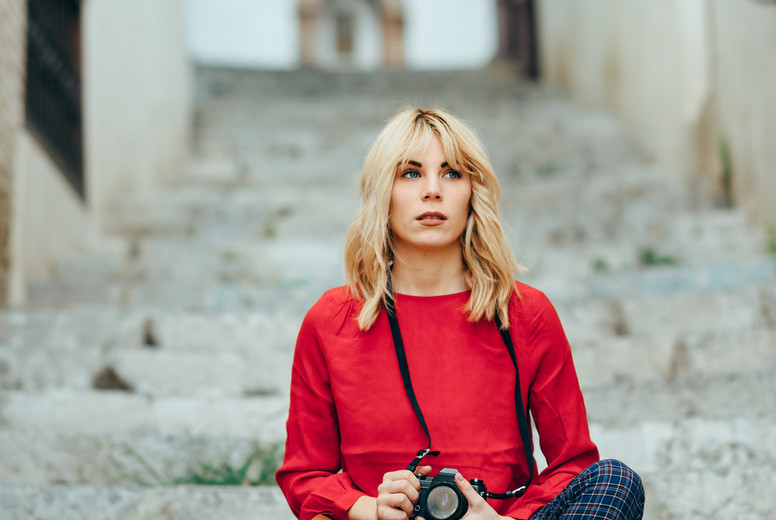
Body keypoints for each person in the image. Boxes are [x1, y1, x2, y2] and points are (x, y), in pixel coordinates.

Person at [276, 108, 645, 520]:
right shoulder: (330, 322)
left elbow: (572, 464)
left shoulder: (525, 314)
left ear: (472, 192)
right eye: (411, 173)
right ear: (383, 191)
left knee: (616, 482)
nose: (432, 190)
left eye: (452, 173)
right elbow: (305, 474)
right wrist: (368, 508)